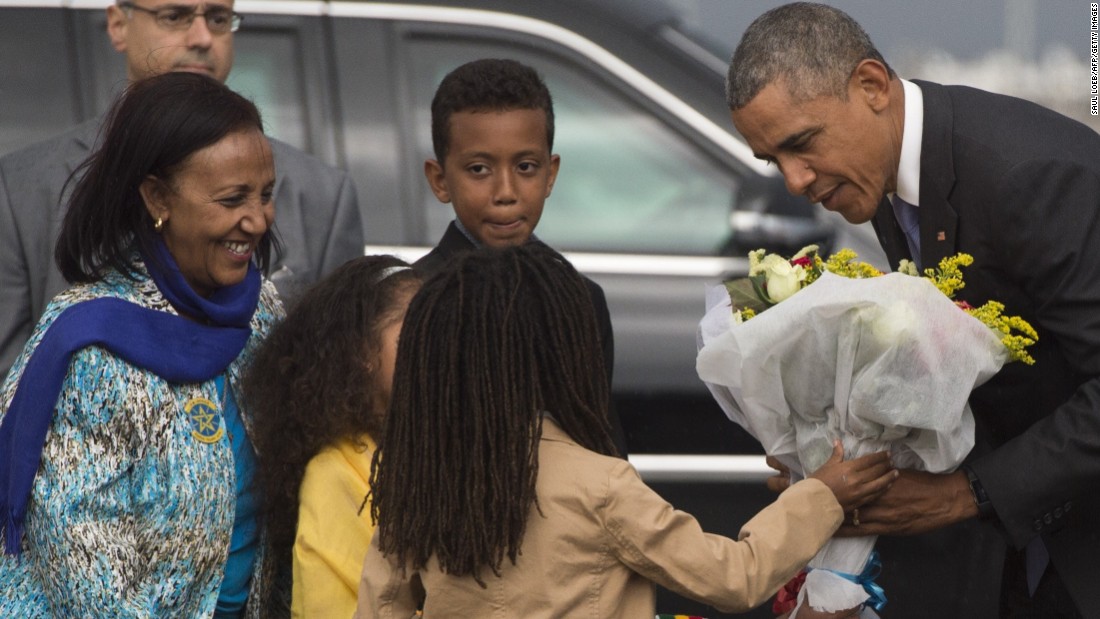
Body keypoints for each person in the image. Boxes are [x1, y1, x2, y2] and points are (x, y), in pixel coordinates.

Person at [726, 3, 1100, 617]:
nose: (793, 180)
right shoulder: (886, 174)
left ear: (871, 86)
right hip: (1029, 555)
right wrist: (829, 471)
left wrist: (962, 494)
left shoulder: (1028, 177)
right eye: (774, 161)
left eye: (801, 144)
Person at [354, 243, 897, 618]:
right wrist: (821, 494)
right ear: (562, 355)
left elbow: (381, 606)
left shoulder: (419, 482)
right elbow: (736, 578)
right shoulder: (599, 488)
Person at [0, 72, 284, 617]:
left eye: (265, 195)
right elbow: (90, 574)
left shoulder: (261, 310)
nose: (256, 220)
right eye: (232, 199)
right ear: (157, 197)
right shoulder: (93, 345)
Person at [0, 0, 364, 379]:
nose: (203, 37)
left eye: (219, 18)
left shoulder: (323, 195)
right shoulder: (21, 188)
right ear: (118, 24)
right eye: (175, 16)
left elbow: (334, 391)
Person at [415, 57, 627, 456]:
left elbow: (605, 452)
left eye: (526, 166)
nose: (506, 191)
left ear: (550, 173)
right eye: (479, 169)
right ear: (440, 180)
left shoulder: (579, 300)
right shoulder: (410, 299)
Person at [242, 255, 421, 618]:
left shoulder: (423, 450)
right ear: (364, 351)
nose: (434, 352)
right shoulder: (332, 475)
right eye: (415, 336)